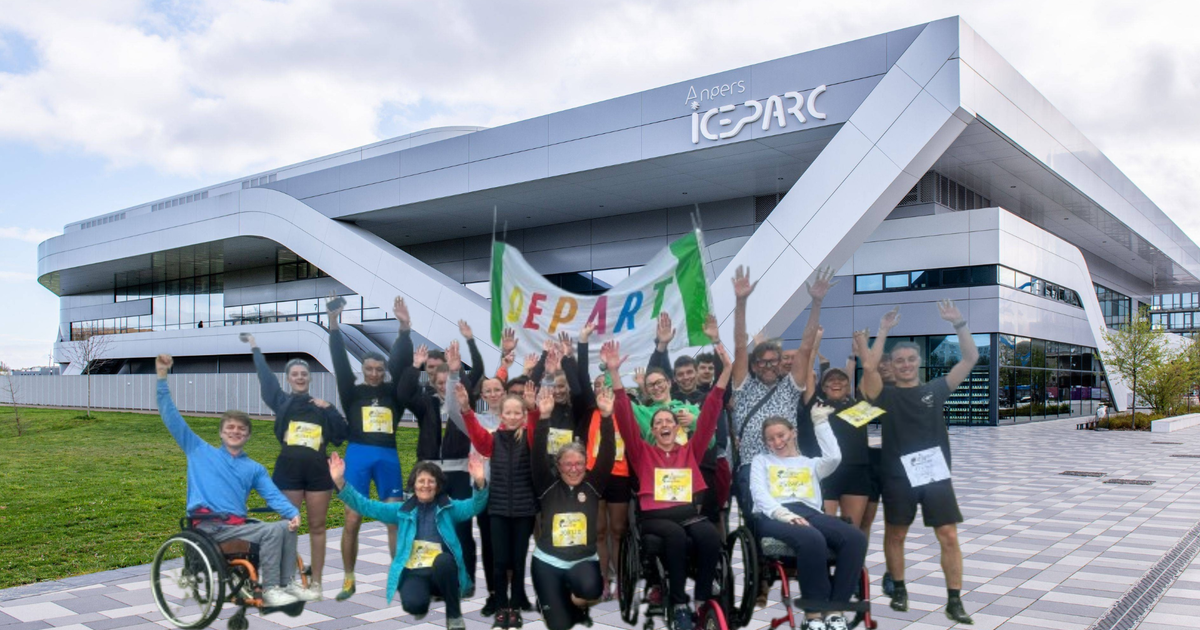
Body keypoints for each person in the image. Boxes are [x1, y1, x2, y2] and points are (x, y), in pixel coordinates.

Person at [154, 353, 308, 607]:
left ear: (247, 435)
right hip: (208, 526)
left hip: (238, 525)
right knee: (271, 531)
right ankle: (270, 589)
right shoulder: (198, 450)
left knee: (286, 526)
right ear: (222, 433)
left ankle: (287, 583)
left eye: (241, 429)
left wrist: (291, 513)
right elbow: (171, 416)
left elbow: (271, 495)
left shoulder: (253, 468)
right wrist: (162, 377)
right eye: (230, 428)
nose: (235, 432)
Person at [860, 300, 978, 624]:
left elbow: (970, 358)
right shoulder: (886, 395)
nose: (906, 364)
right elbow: (870, 368)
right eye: (900, 361)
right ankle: (899, 587)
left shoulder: (935, 390)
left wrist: (959, 323)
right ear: (893, 366)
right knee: (896, 534)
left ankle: (954, 600)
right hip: (898, 479)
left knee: (949, 536)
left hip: (935, 476)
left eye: (911, 359)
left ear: (919, 362)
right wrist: (883, 330)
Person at [607, 339, 731, 630]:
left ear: (677, 427)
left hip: (688, 513)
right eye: (658, 422)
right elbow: (624, 414)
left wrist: (725, 371)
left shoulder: (690, 450)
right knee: (675, 535)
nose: (664, 424)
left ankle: (701, 600)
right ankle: (677, 602)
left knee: (712, 536)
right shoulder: (642, 452)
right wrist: (614, 374)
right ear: (652, 430)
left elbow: (712, 410)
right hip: (656, 518)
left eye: (669, 421)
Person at [393, 299, 491, 605]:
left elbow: (481, 369)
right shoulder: (425, 404)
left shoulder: (463, 401)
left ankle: (466, 582)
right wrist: (414, 366)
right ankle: (433, 580)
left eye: (446, 380)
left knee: (461, 530)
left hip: (459, 472)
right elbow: (403, 392)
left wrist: (469, 346)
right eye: (437, 381)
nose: (442, 385)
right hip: (429, 472)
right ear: (431, 383)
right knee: (429, 530)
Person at [329, 452, 488, 630]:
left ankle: (454, 615)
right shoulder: (402, 511)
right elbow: (366, 506)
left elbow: (475, 505)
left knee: (444, 561)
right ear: (414, 485)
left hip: (441, 571)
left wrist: (480, 481)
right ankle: (424, 595)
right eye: (421, 481)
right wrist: (339, 481)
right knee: (414, 605)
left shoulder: (449, 508)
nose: (425, 486)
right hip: (415, 572)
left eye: (431, 481)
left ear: (438, 486)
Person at [245, 334, 346, 600]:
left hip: (317, 473)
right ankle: (285, 581)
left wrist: (332, 408)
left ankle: (316, 584)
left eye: (304, 373)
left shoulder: (321, 407)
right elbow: (267, 382)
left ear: (309, 378)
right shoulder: (282, 402)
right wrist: (256, 348)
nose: (300, 377)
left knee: (318, 527)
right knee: (288, 526)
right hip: (289, 472)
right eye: (295, 374)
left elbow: (342, 434)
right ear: (289, 379)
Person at [730, 266, 833, 517]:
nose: (768, 366)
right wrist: (741, 302)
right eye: (761, 362)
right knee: (759, 518)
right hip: (753, 466)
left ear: (780, 363)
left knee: (807, 513)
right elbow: (740, 345)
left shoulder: (789, 387)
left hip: (789, 467)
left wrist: (816, 303)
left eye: (773, 361)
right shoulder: (743, 387)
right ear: (754, 366)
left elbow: (806, 346)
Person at [751, 411, 866, 630]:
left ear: (793, 433)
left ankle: (835, 611)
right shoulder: (762, 460)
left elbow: (834, 458)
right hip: (773, 514)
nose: (777, 442)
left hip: (810, 513)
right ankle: (813, 615)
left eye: (781, 435)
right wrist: (785, 515)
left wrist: (821, 423)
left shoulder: (810, 463)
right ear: (766, 442)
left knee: (855, 538)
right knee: (811, 537)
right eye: (771, 438)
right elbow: (759, 494)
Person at [327, 296, 407, 601]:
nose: (374, 373)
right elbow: (337, 361)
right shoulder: (352, 393)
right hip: (358, 455)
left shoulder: (394, 394)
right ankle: (348, 578)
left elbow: (401, 363)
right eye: (369, 369)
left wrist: (402, 329)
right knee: (352, 519)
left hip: (388, 457)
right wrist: (334, 325)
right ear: (362, 369)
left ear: (384, 371)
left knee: (393, 519)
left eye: (379, 369)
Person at [527, 383, 615, 630]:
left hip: (583, 561)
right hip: (548, 563)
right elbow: (537, 456)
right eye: (568, 464)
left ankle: (574, 600)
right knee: (560, 626)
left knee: (591, 588)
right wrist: (543, 417)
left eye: (579, 463)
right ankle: (553, 601)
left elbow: (608, 455)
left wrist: (607, 417)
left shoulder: (593, 486)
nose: (574, 469)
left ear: (586, 465)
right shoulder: (547, 485)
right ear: (559, 465)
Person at [455, 381, 540, 630]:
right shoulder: (493, 440)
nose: (513, 417)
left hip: (524, 510)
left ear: (523, 415)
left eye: (518, 412)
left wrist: (533, 409)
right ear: (501, 415)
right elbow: (478, 437)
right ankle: (501, 607)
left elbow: (537, 428)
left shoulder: (530, 437)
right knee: (500, 561)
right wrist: (466, 410)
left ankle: (515, 607)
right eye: (508, 412)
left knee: (518, 560)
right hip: (498, 509)